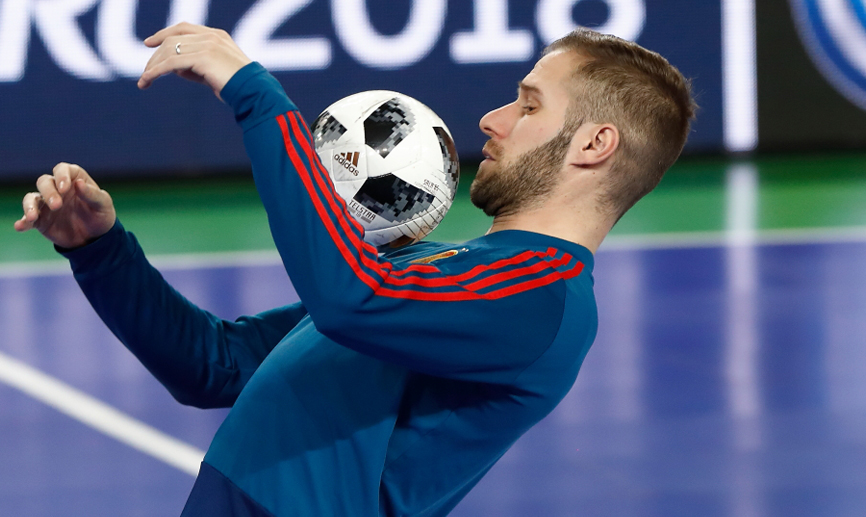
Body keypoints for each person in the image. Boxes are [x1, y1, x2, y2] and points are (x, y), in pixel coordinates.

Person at [14, 23, 695, 517]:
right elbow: (215, 364)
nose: (493, 119)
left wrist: (253, 91)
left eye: (529, 103)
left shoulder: (541, 298)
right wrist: (98, 248)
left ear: (595, 144)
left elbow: (354, 295)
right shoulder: (445, 268)